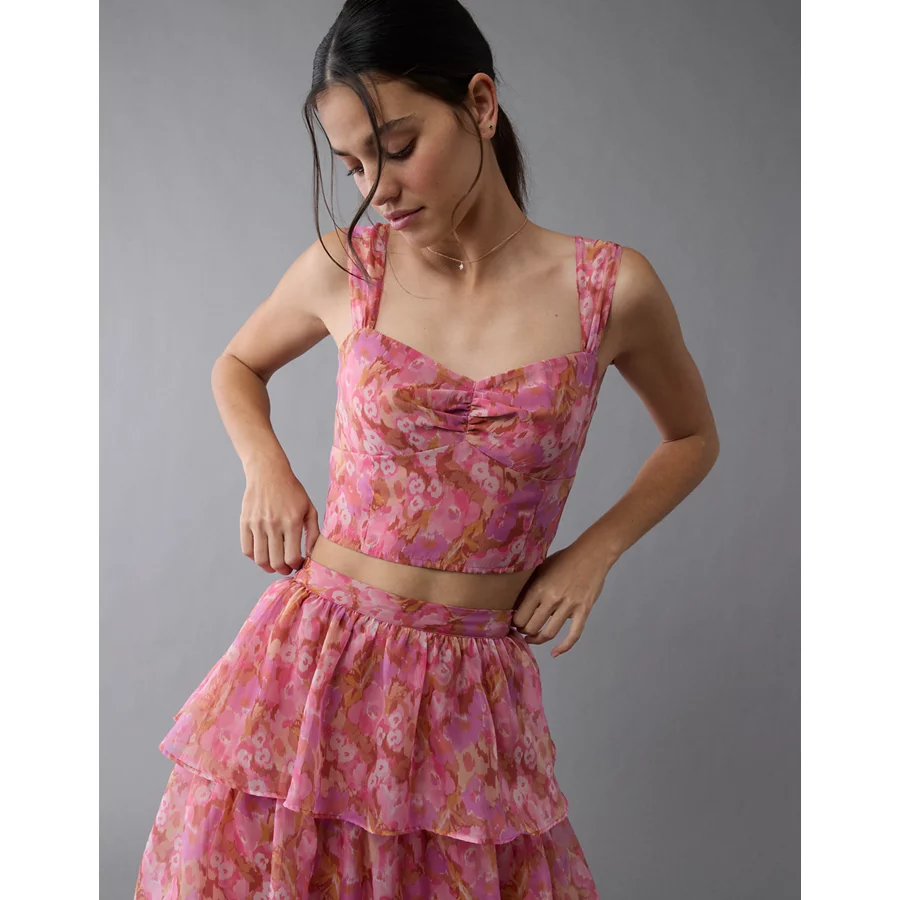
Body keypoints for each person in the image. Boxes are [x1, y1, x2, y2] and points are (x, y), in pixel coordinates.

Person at [134, 0, 719, 897]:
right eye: (354, 164)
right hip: (314, 667)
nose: (378, 188)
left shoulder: (610, 289)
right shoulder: (350, 267)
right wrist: (265, 467)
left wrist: (594, 553)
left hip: (471, 687)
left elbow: (691, 437)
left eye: (398, 148)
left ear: (480, 104)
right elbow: (237, 364)